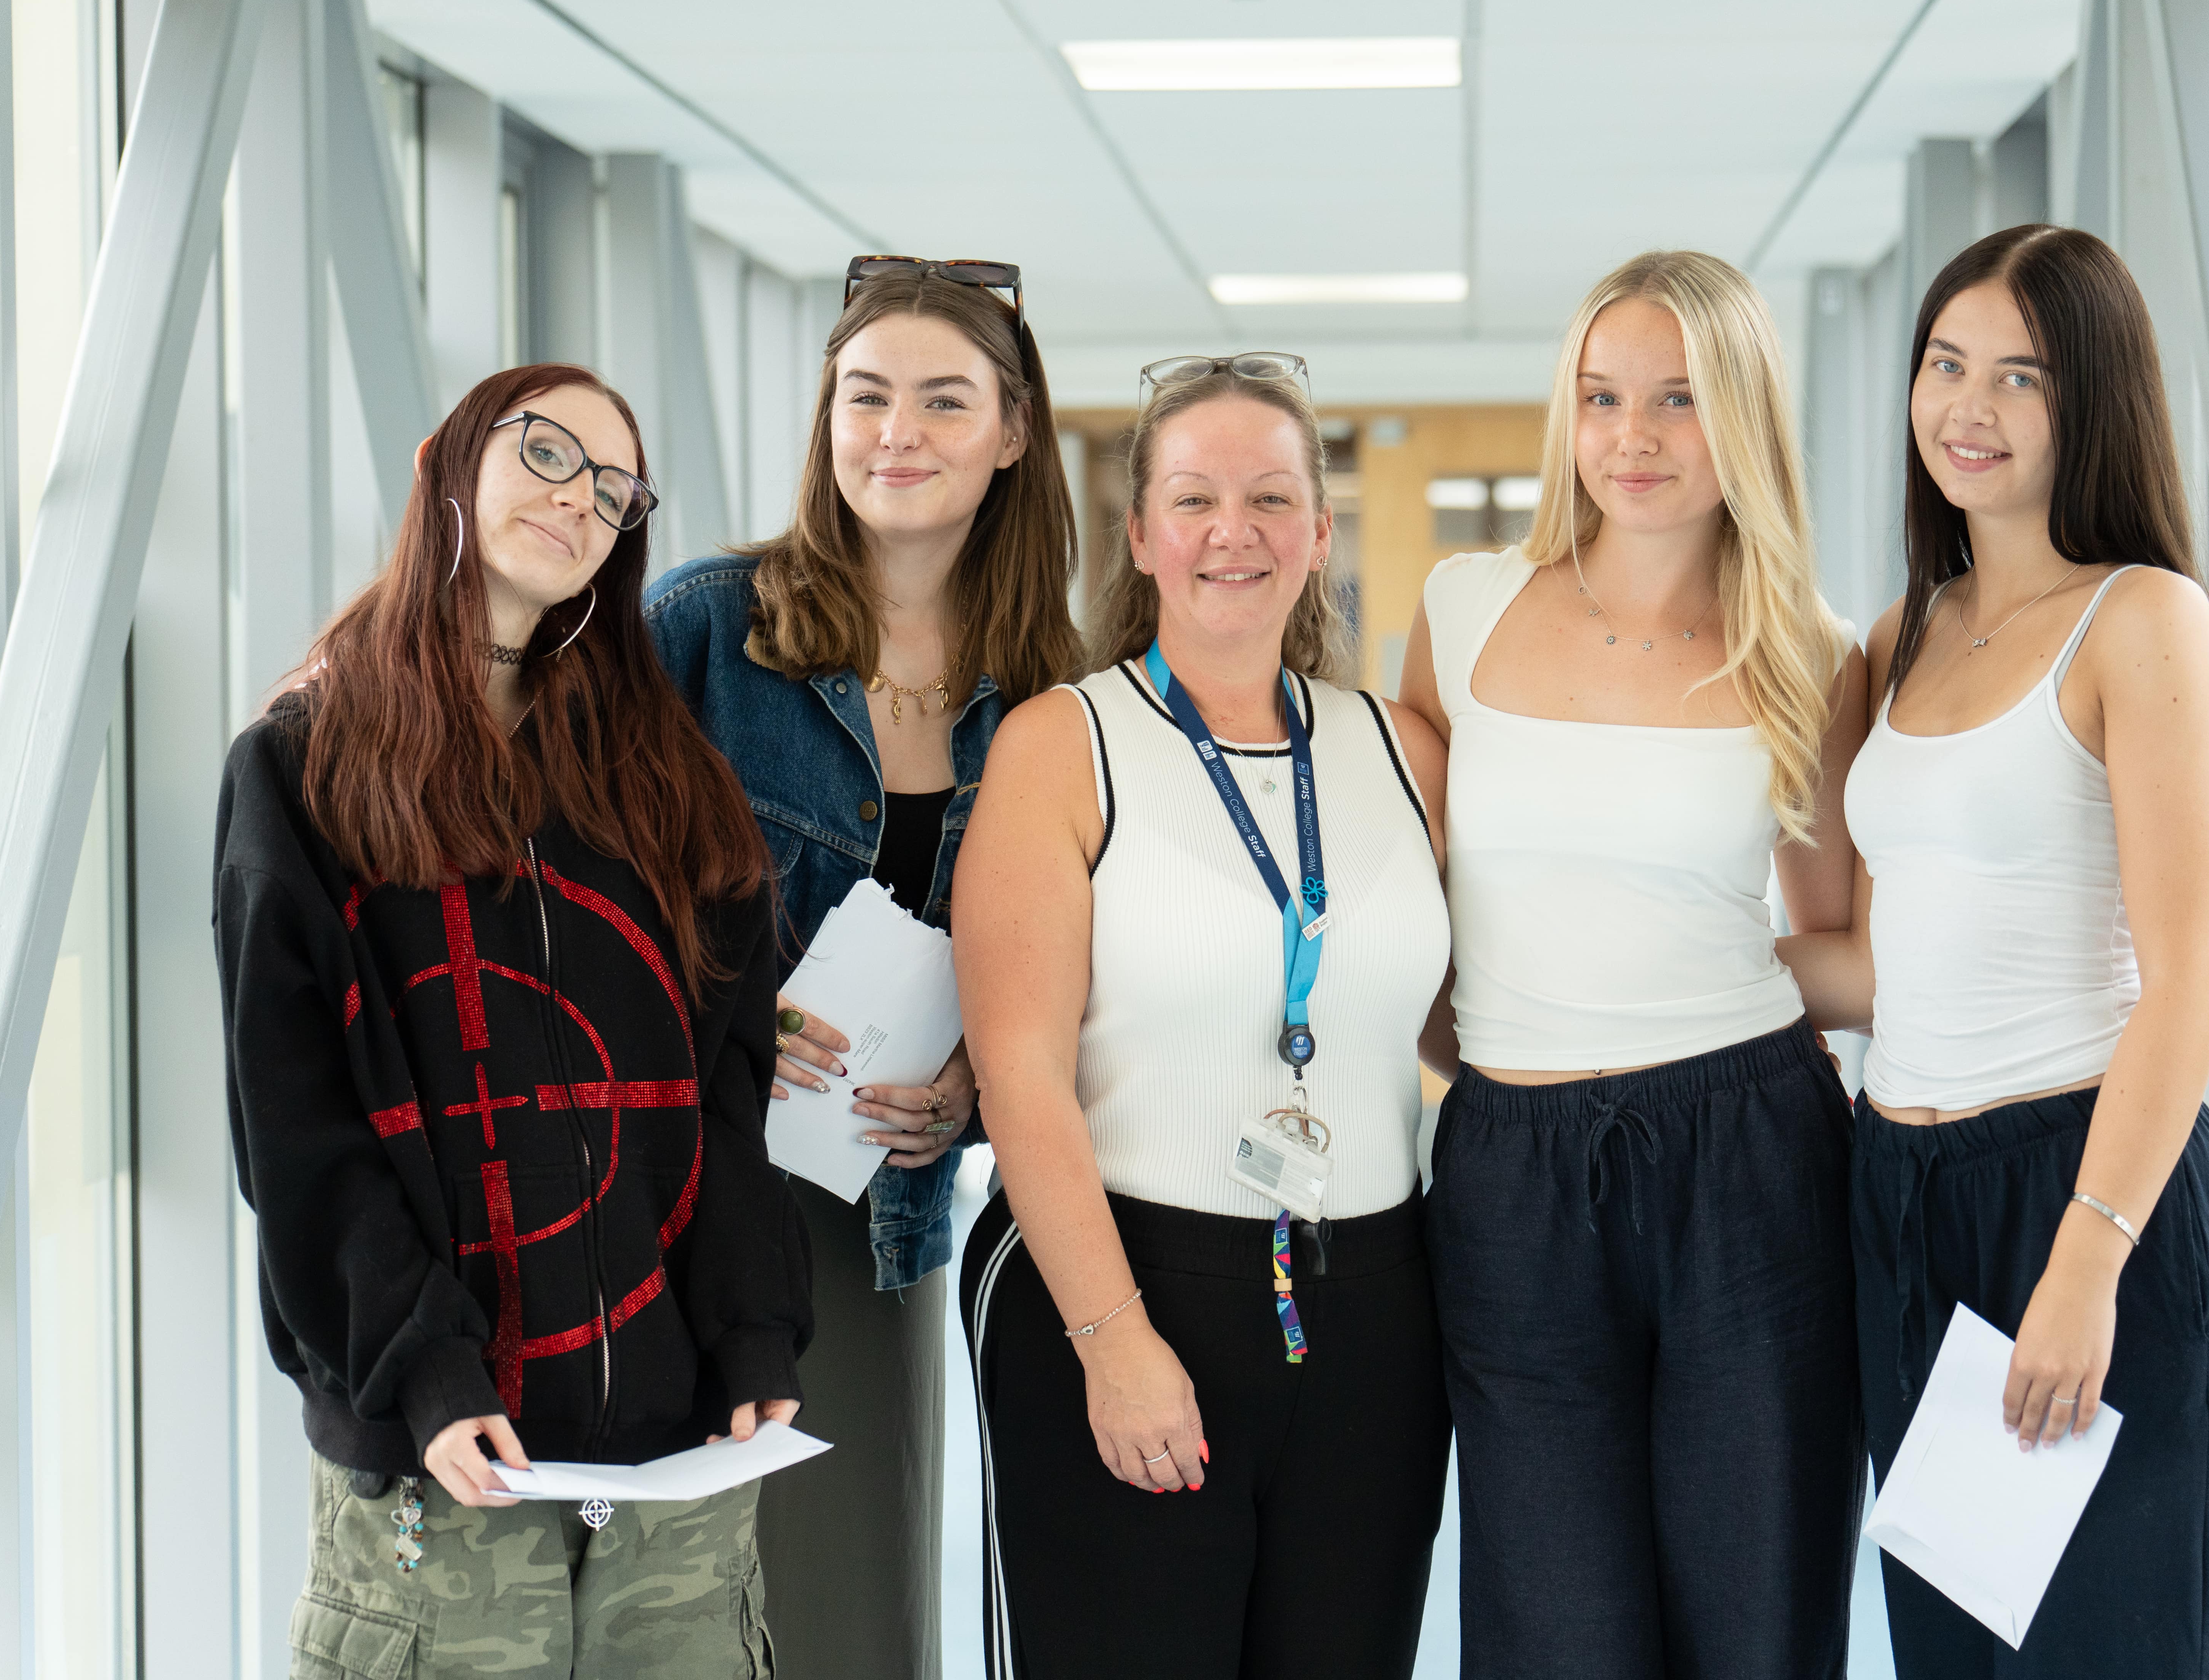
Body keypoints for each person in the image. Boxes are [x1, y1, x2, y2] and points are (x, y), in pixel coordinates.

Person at [215, 363, 808, 1678]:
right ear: (452, 463)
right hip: (453, 1447)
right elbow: (297, 1128)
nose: (578, 498)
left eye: (613, 487)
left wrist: (753, 1328)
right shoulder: (305, 769)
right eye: (546, 452)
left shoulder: (664, 785)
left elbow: (726, 1092)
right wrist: (424, 1368)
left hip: (678, 1448)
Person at [1778, 223, 2209, 1673]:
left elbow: (2194, 978)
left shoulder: (2143, 621)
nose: (1966, 409)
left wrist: (2084, 1264)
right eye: (1945, 364)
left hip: (2084, 1190)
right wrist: (1658, 976)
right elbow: (1883, 965)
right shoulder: (1902, 636)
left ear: (2093, 401)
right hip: (1904, 1201)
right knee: (1958, 1654)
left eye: (2020, 378)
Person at [1398, 249, 1870, 1678]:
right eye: (1603, 398)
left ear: (1746, 419)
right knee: (1555, 1630)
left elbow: (1846, 942)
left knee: (1757, 1617)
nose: (1635, 438)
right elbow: (1391, 902)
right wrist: (1486, 1059)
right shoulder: (1466, 610)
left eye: (1678, 399)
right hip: (1510, 1170)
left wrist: (1693, 1010)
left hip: (1750, 1155)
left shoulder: (1809, 651)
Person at [955, 353, 1452, 1679]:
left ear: (1320, 533)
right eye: (1194, 498)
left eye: (1272, 498)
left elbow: (1467, 1022)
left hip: (1374, 1306)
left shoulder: (1401, 751)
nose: (1234, 532)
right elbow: (1019, 1074)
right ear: (1139, 534)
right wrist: (1114, 1346)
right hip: (1126, 1281)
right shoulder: (1068, 744)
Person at [648, 256, 1078, 1678]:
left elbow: (1082, 952)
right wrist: (726, 1017)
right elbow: (566, 895)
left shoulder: (1055, 686)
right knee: (674, 1606)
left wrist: (980, 1081)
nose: (896, 431)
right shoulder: (706, 629)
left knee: (857, 1619)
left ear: (1013, 433)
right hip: (683, 1194)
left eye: (944, 401)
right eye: (866, 394)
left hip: (878, 1207)